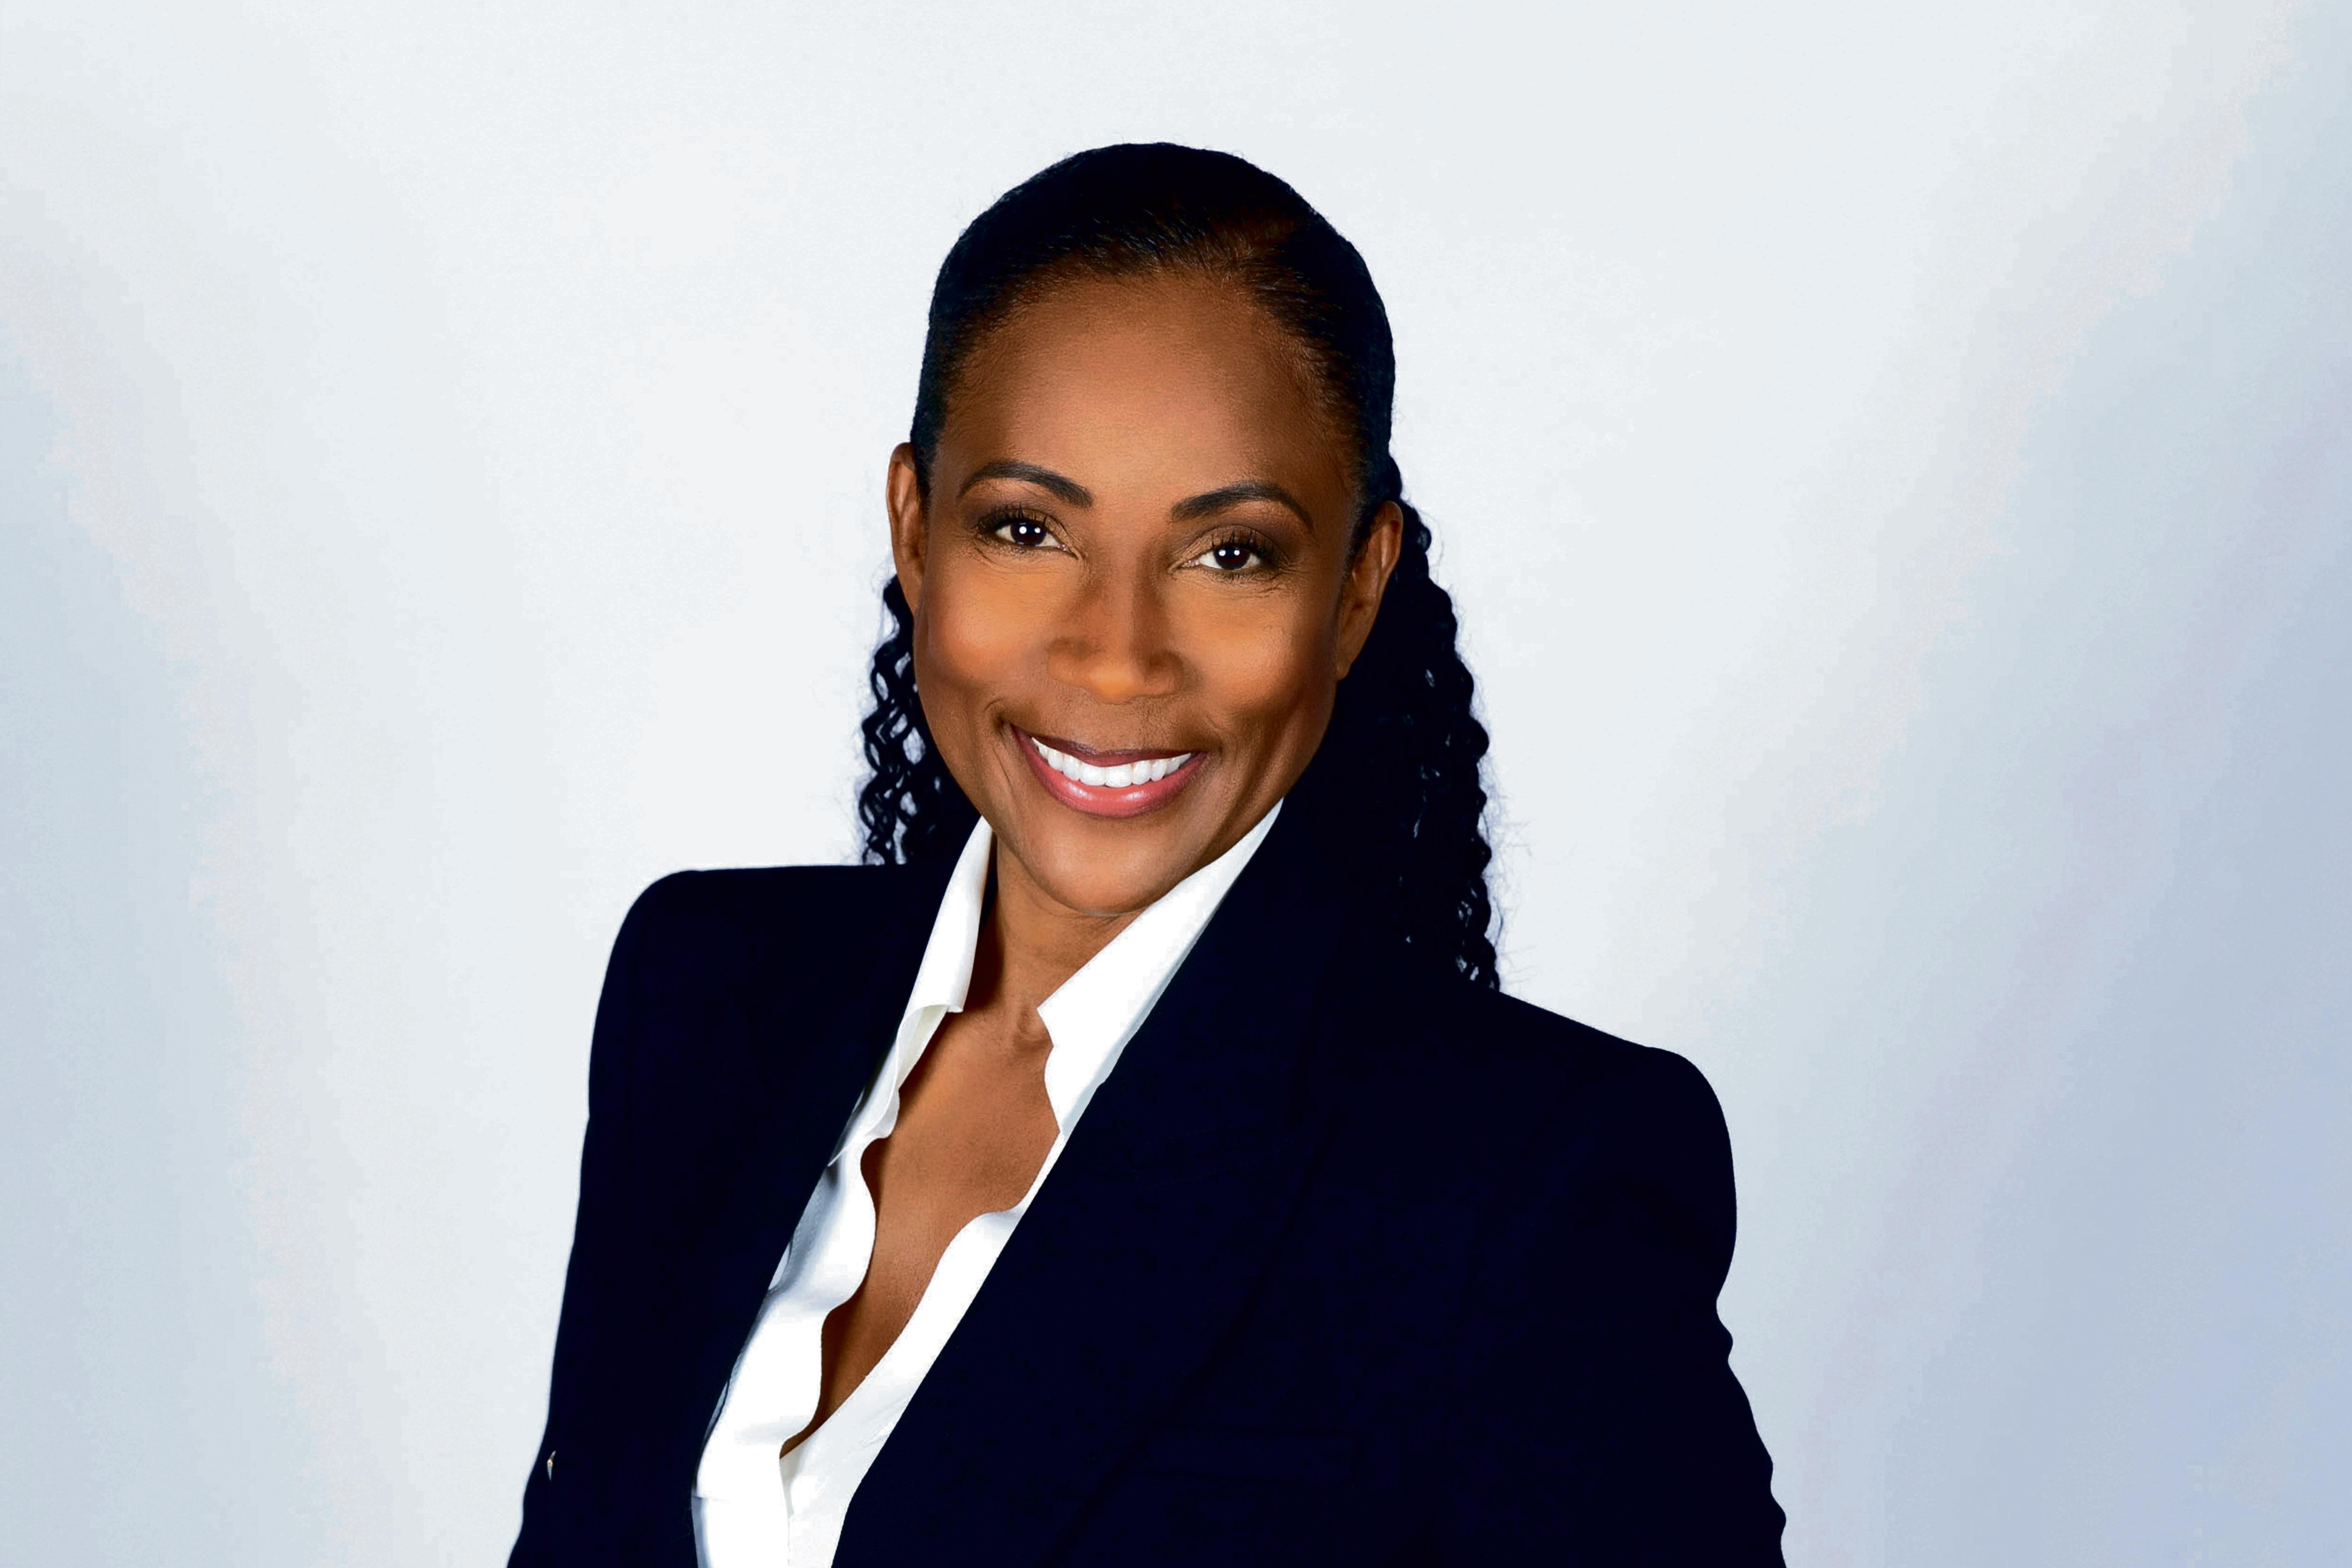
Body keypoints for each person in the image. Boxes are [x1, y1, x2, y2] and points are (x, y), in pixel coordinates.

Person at [508, 143, 1784, 1567]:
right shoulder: (707, 994)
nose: (1116, 658)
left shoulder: (1528, 1189)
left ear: (1358, 588)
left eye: (1230, 553)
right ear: (914, 531)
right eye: (1027, 530)